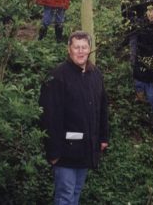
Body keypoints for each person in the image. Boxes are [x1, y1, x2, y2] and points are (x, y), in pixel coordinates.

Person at [39, 31, 109, 204]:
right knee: (65, 194)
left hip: (86, 149)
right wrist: (53, 152)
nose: (80, 51)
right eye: (76, 47)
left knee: (76, 192)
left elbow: (103, 109)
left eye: (84, 47)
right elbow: (49, 117)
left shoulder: (95, 74)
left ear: (89, 49)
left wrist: (103, 137)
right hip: (64, 152)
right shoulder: (57, 76)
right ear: (69, 49)